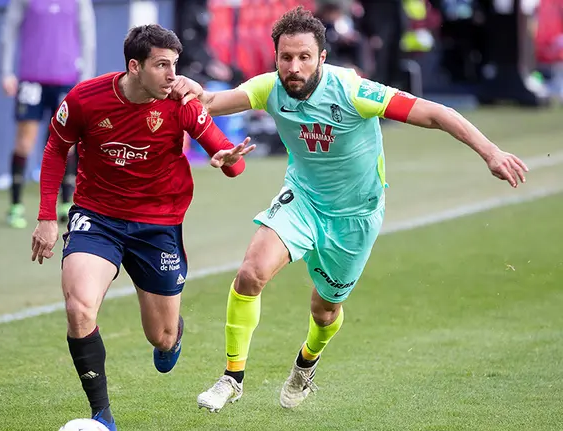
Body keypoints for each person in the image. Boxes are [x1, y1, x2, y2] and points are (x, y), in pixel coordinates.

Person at [170, 6, 528, 412]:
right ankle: (232, 379)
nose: (294, 66)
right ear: (276, 58)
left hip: (355, 218)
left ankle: (306, 363)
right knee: (251, 273)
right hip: (302, 201)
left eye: (304, 57)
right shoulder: (268, 88)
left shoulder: (354, 91)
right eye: (286, 57)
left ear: (322, 57)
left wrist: (491, 152)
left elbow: (435, 113)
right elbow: (210, 102)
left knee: (324, 311)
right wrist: (188, 91)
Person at [29, 24, 255, 430]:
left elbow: (232, 161)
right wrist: (47, 216)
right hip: (96, 217)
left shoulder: (182, 101)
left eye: (175, 65)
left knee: (162, 338)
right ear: (135, 67)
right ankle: (103, 415)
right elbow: (55, 150)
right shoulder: (85, 99)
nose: (173, 75)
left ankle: (174, 332)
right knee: (79, 308)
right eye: (162, 65)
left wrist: (228, 159)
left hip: (158, 225)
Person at [1, 0, 96, 228]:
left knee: (68, 142)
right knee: (25, 141)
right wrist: (6, 71)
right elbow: (9, 29)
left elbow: (87, 34)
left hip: (65, 80)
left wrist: (87, 78)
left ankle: (66, 203)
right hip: (32, 80)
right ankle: (16, 205)